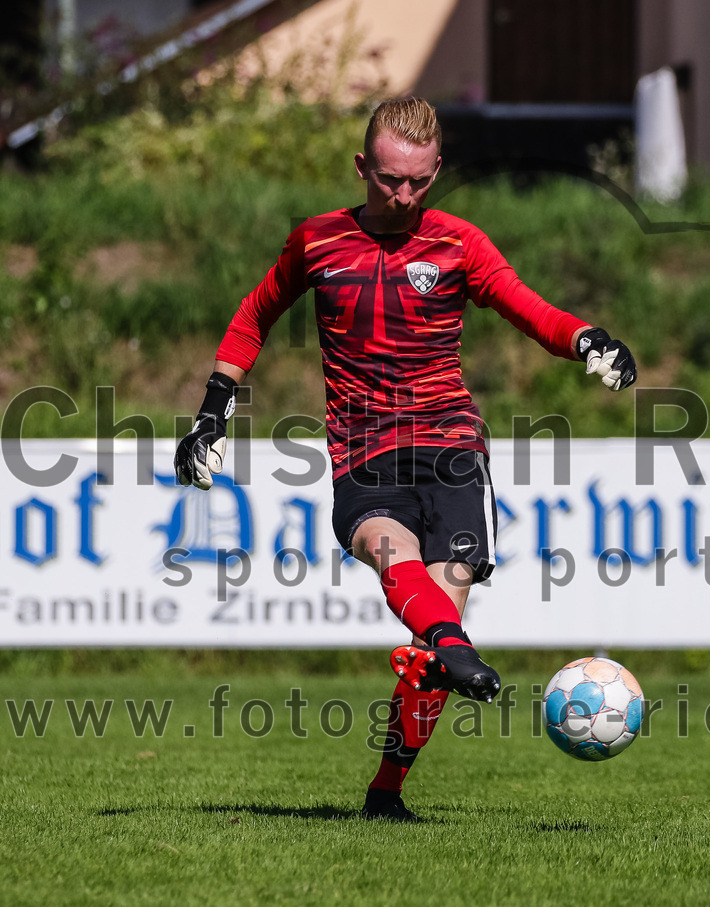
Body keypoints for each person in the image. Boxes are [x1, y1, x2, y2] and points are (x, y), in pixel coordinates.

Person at [174, 97, 637, 821]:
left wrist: (585, 337)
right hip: (362, 449)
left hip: (450, 444)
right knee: (395, 559)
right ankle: (451, 646)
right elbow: (255, 312)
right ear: (363, 168)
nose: (404, 196)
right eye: (390, 180)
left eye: (419, 182)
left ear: (436, 172)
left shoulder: (458, 243)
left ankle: (386, 792)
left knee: (433, 640)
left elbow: (527, 308)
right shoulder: (318, 242)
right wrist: (212, 408)